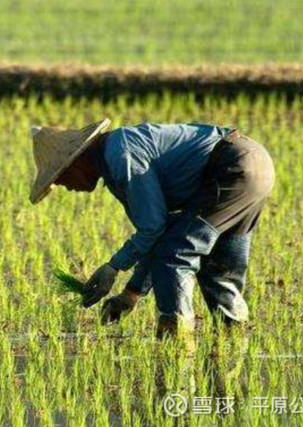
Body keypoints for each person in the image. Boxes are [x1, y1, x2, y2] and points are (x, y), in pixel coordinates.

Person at [29, 118, 275, 339]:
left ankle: (176, 342)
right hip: (255, 164)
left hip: (231, 167)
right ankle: (234, 340)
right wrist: (131, 294)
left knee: (175, 254)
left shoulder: (121, 156)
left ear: (75, 161)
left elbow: (154, 229)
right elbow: (159, 232)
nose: (64, 186)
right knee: (217, 269)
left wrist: (113, 267)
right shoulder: (117, 153)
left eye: (59, 178)